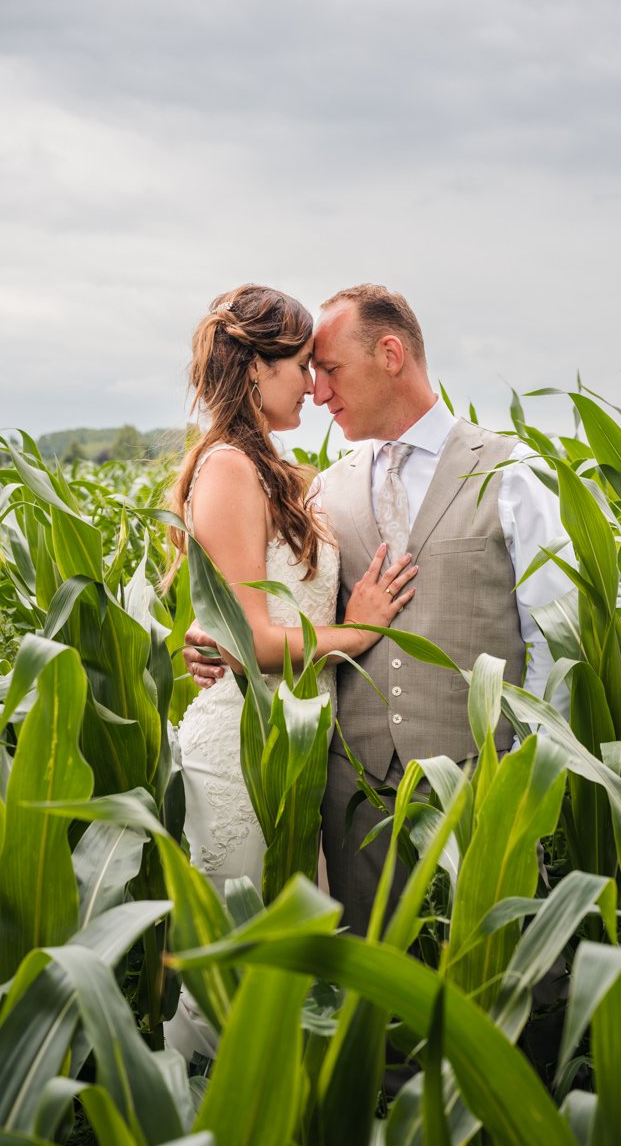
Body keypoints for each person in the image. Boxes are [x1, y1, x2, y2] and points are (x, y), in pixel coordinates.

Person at [186, 283, 572, 939]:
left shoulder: (510, 472)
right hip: (342, 791)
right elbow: (264, 601)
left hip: (479, 779)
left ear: (390, 354)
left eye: (329, 367)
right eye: (307, 367)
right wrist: (213, 630)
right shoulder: (326, 488)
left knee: (498, 969)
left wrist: (529, 771)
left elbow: (554, 634)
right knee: (359, 989)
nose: (317, 388)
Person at [164, 283, 416, 1063]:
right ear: (253, 368)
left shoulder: (283, 473)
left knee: (288, 954)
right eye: (299, 364)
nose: (313, 383)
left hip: (294, 744)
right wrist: (362, 629)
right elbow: (253, 640)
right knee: (244, 959)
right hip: (244, 747)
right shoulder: (230, 468)